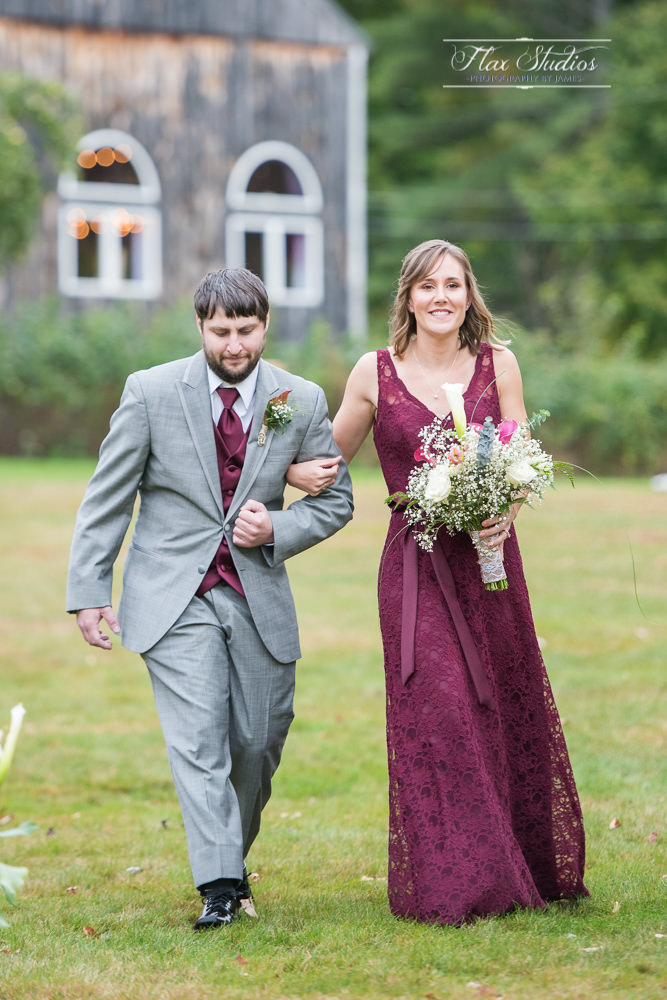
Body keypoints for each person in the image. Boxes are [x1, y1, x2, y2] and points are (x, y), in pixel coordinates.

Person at [288, 239, 588, 924]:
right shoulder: (373, 372)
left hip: (487, 565)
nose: (441, 298)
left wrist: (503, 515)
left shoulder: (497, 363)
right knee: (440, 710)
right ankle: (460, 881)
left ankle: (517, 868)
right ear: (407, 297)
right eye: (427, 286)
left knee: (500, 708)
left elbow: (520, 456)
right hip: (414, 569)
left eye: (453, 285)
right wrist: (284, 473)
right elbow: (326, 459)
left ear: (468, 294)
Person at [66, 267, 353, 930]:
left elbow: (336, 501)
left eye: (245, 330)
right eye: (220, 331)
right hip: (172, 596)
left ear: (265, 325)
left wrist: (277, 524)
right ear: (200, 325)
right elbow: (106, 498)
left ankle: (231, 855)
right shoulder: (150, 391)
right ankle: (220, 887)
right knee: (199, 742)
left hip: (255, 594)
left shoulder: (299, 398)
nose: (233, 344)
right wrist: (88, 590)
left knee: (256, 742)